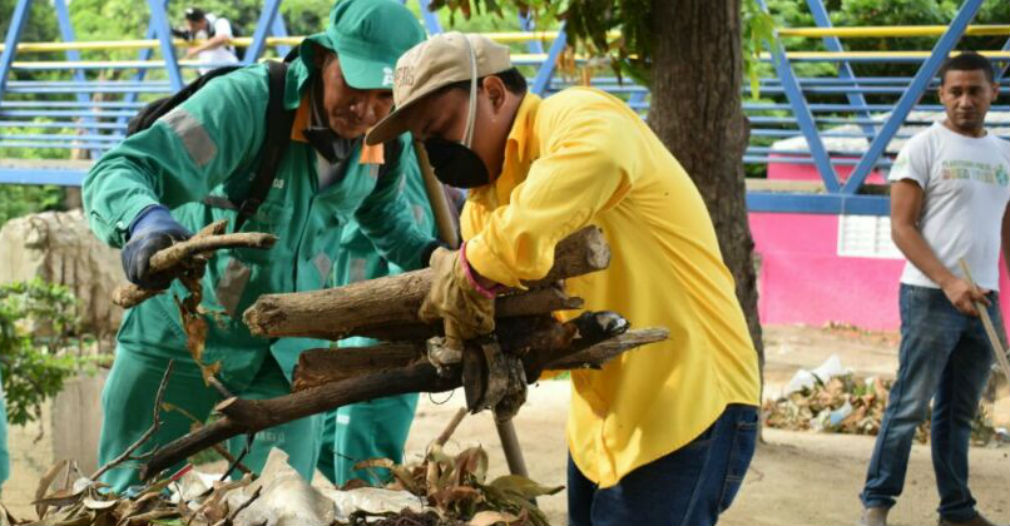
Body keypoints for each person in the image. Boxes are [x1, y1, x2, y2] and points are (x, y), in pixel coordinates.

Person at [366, 32, 761, 526]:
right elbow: (531, 319)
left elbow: (532, 226)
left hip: (688, 404)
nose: (438, 154)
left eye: (442, 128)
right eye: (425, 143)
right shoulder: (484, 208)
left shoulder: (580, 117)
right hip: (602, 427)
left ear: (492, 93)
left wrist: (469, 268)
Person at [83, 0, 436, 490]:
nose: (366, 110)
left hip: (286, 350)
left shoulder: (384, 135)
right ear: (321, 58)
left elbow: (380, 213)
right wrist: (144, 220)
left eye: (385, 96)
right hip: (183, 334)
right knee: (132, 489)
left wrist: (435, 260)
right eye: (355, 85)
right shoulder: (247, 104)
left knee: (285, 503)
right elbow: (125, 168)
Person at [858, 52, 1009, 526]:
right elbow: (902, 227)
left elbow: (1006, 228)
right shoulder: (922, 147)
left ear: (993, 93)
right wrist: (948, 282)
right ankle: (876, 507)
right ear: (941, 95)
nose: (965, 100)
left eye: (975, 91)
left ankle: (956, 510)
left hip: (983, 299)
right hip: (930, 296)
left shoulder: (1004, 152)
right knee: (908, 407)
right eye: (955, 91)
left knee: (959, 414)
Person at [316, 163, 436, 486]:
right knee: (327, 439)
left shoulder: (403, 151)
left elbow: (410, 238)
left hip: (387, 306)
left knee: (366, 435)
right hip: (350, 298)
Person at [176, 7, 240, 74]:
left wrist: (196, 50)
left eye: (193, 24)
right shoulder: (199, 32)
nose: (190, 27)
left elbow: (221, 39)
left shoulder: (220, 22)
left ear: (202, 21)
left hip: (228, 68)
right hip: (210, 72)